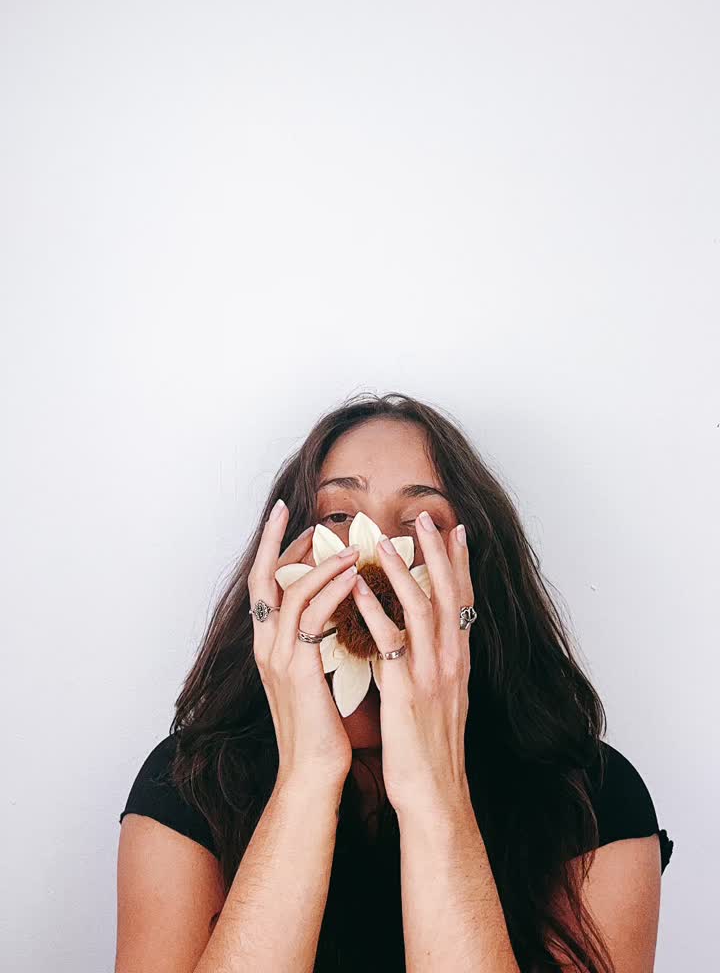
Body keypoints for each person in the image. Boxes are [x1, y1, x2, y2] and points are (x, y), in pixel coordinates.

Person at [115, 392, 673, 972]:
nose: (377, 553)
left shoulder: (591, 801)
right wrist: (306, 778)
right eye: (338, 517)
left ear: (474, 571)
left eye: (421, 523)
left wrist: (433, 788)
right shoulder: (189, 784)